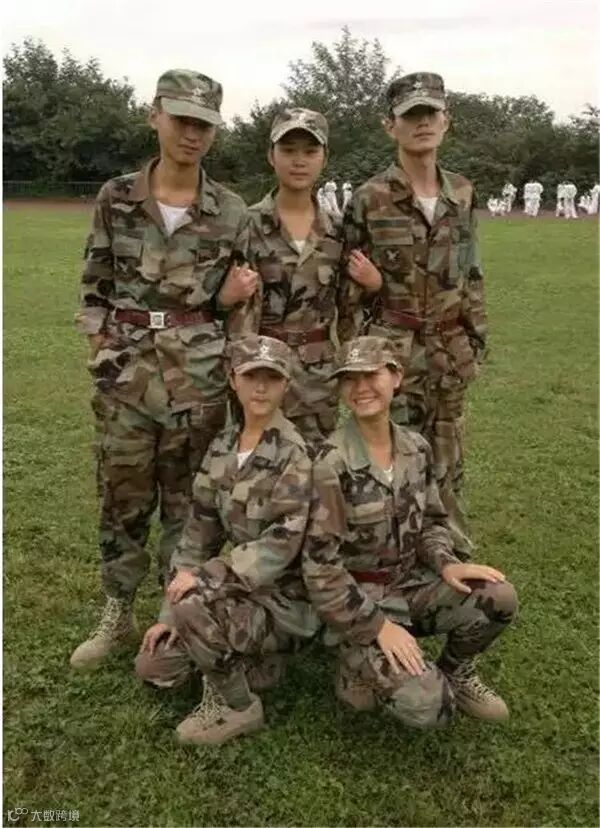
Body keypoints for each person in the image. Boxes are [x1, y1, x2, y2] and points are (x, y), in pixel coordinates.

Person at [71, 69, 258, 670]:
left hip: (198, 378)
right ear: (155, 115)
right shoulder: (117, 196)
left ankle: (172, 613)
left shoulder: (230, 210)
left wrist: (234, 369)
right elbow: (95, 281)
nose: (192, 134)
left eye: (204, 124)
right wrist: (100, 348)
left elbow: (242, 304)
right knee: (122, 496)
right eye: (181, 119)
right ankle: (118, 609)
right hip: (125, 375)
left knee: (188, 502)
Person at [303, 337, 518, 729]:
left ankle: (455, 670)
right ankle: (355, 661)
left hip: (410, 584)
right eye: (349, 379)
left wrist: (446, 563)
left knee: (499, 596)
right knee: (430, 706)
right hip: (359, 602)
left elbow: (432, 521)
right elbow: (320, 569)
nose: (360, 387)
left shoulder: (416, 448)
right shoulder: (330, 463)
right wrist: (378, 627)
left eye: (371, 375)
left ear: (396, 377)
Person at [135, 335, 319, 745]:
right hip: (238, 591)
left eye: (272, 378)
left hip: (286, 602)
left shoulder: (294, 454)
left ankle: (237, 706)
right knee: (155, 665)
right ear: (233, 380)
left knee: (195, 604)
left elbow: (282, 543)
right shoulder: (223, 445)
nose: (261, 388)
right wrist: (168, 615)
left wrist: (204, 580)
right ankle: (255, 661)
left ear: (286, 385)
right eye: (252, 376)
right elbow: (198, 532)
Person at [343, 72, 487, 557]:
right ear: (391, 126)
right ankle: (392, 558)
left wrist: (475, 340)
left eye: (431, 114)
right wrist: (359, 356)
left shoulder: (461, 192)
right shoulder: (369, 198)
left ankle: (451, 555)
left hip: (449, 351)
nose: (422, 123)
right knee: (390, 455)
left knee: (448, 458)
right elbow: (347, 291)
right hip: (393, 352)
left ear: (447, 121)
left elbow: (471, 273)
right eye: (411, 116)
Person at [219, 108, 380, 447]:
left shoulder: (338, 230)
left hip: (318, 376)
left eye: (310, 151)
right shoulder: (247, 224)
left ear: (324, 158)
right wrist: (240, 369)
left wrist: (356, 370)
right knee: (259, 464)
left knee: (316, 466)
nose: (299, 161)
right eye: (288, 150)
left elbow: (349, 311)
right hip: (261, 371)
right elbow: (235, 313)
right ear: (271, 156)